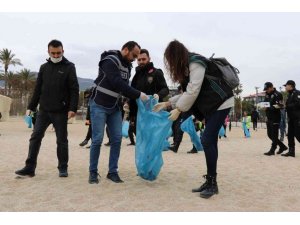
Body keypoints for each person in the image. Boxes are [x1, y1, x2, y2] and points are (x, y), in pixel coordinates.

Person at [153, 40, 234, 198]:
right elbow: (187, 93)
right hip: (212, 105)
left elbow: (193, 90)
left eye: (170, 59)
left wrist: (178, 109)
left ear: (176, 55)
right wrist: (168, 103)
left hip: (221, 102)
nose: (170, 63)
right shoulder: (187, 67)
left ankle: (212, 183)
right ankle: (211, 181)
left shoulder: (195, 63)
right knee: (210, 141)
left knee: (207, 140)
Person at [15, 39, 79, 178]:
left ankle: (63, 168)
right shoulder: (44, 67)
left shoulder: (69, 67)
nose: (56, 56)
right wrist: (30, 107)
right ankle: (29, 167)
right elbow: (38, 89)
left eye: (58, 53)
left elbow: (74, 89)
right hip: (43, 111)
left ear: (63, 51)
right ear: (48, 52)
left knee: (62, 140)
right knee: (35, 137)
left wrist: (72, 108)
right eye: (53, 53)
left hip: (61, 111)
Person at [89, 41, 148, 184]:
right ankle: (93, 172)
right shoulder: (109, 60)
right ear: (126, 50)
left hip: (115, 107)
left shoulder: (128, 66)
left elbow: (125, 87)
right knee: (97, 139)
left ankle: (112, 171)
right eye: (134, 55)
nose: (135, 59)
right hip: (99, 104)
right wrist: (138, 94)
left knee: (117, 139)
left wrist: (130, 101)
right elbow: (117, 83)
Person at [129, 49, 169, 145]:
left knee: (154, 141)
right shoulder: (136, 75)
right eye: (139, 60)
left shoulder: (156, 73)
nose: (141, 61)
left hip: (154, 113)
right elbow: (132, 94)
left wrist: (158, 95)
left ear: (149, 58)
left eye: (144, 59)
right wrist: (131, 114)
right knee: (142, 141)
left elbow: (165, 89)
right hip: (139, 115)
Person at [262, 82, 288, 156]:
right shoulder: (267, 94)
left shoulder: (278, 94)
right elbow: (265, 103)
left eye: (267, 89)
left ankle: (272, 150)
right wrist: (262, 106)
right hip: (269, 117)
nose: (266, 91)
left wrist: (269, 108)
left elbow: (280, 105)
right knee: (270, 134)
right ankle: (282, 146)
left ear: (271, 87)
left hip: (275, 117)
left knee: (274, 134)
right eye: (265, 89)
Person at [281, 80, 300, 157]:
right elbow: (288, 105)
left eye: (286, 85)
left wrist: (287, 106)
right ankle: (291, 151)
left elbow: (298, 103)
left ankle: (291, 151)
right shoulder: (289, 95)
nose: (285, 87)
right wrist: (283, 106)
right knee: (290, 135)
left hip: (297, 118)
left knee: (298, 134)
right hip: (291, 118)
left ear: (291, 86)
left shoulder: (297, 93)